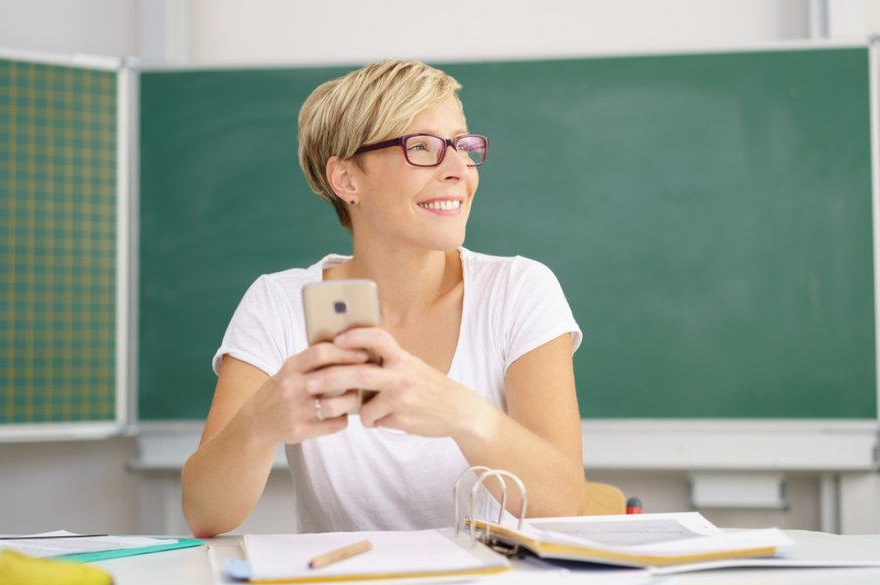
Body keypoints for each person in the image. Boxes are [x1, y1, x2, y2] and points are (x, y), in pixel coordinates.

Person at [181, 59, 586, 537]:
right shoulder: (280, 302)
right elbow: (204, 514)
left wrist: (461, 412)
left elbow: (564, 503)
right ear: (347, 180)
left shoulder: (518, 289)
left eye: (462, 145)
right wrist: (259, 423)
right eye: (422, 147)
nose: (458, 170)